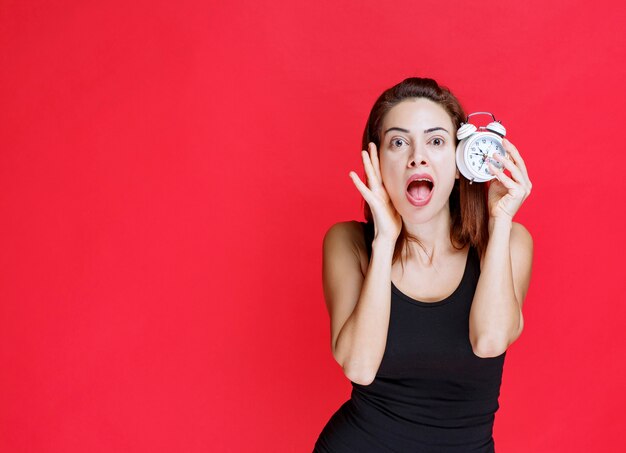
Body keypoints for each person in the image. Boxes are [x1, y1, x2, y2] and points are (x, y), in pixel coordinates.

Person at [313, 77, 533, 452]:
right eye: (398, 143)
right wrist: (384, 240)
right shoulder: (348, 242)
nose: (417, 156)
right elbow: (359, 367)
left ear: (462, 162)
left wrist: (499, 223)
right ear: (377, 162)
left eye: (435, 141)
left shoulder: (510, 241)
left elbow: (490, 340)